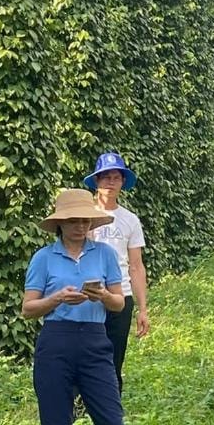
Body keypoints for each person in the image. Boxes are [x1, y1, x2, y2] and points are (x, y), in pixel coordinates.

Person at [23, 188, 140, 425]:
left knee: (112, 420)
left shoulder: (105, 254)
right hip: (55, 342)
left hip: (95, 341)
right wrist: (57, 299)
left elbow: (119, 303)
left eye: (85, 220)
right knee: (56, 422)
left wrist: (102, 294)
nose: (80, 226)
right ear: (60, 223)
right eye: (73, 220)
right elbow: (28, 308)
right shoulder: (44, 258)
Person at [85, 151, 149, 392]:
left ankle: (110, 400)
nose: (110, 182)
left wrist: (142, 309)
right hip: (89, 293)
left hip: (121, 294)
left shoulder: (129, 220)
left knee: (114, 352)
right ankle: (82, 400)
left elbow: (136, 265)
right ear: (96, 181)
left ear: (123, 182)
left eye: (116, 177)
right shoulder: (83, 217)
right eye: (105, 177)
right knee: (86, 348)